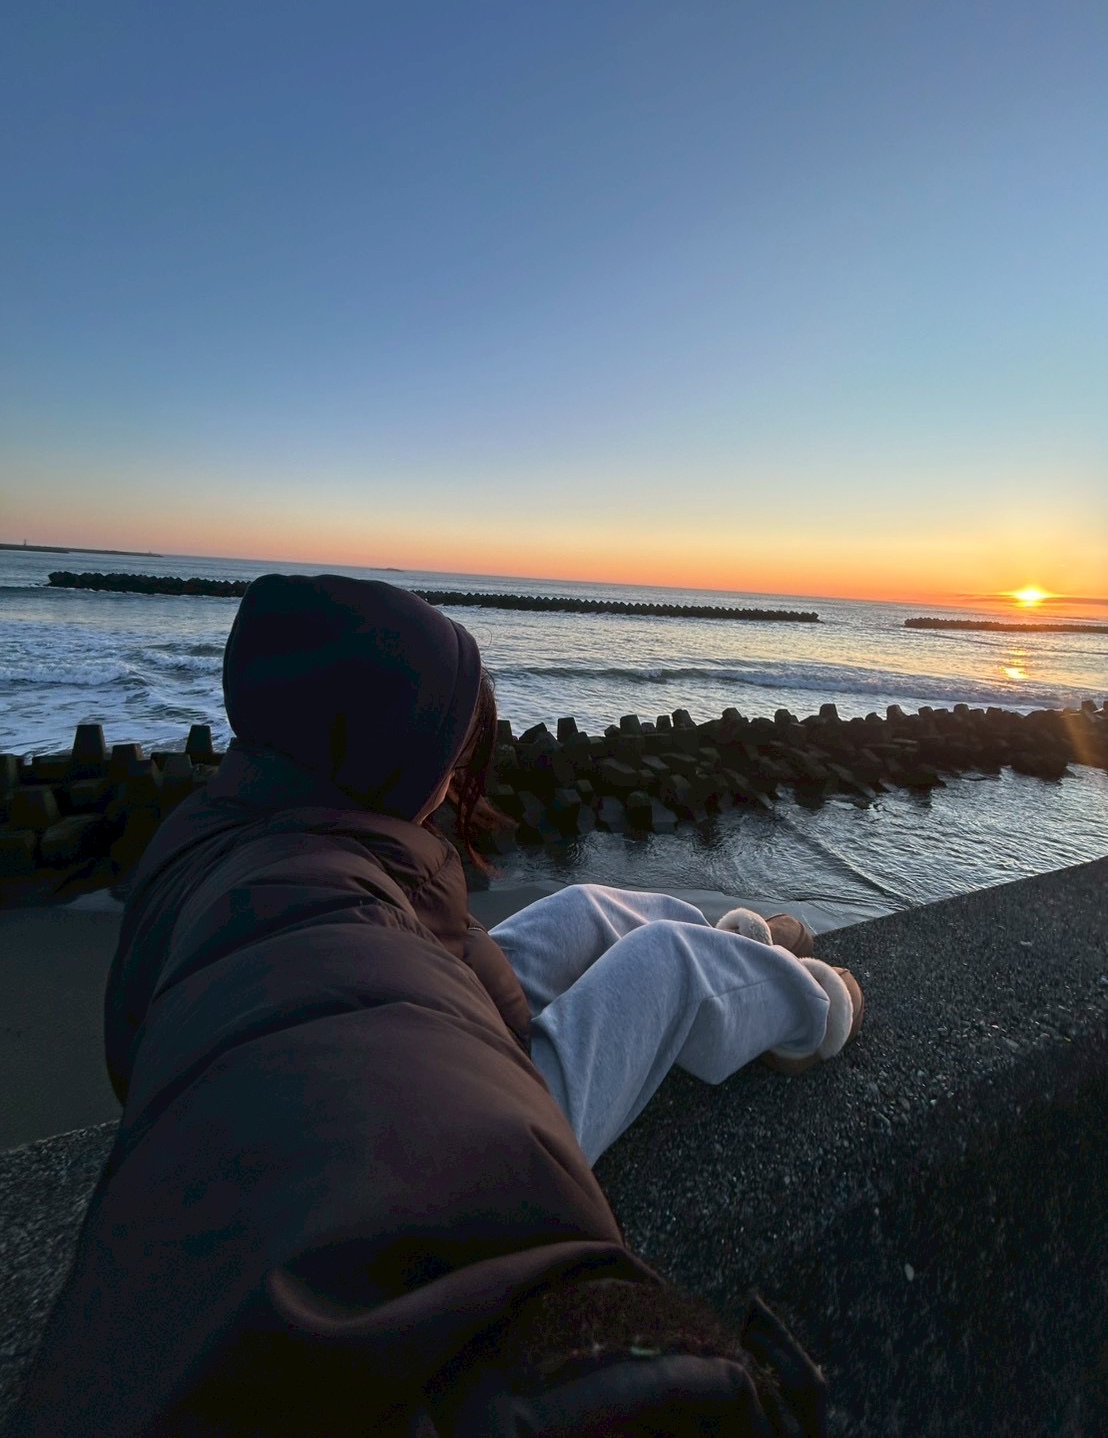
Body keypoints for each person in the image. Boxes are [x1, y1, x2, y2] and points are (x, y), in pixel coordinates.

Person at [8, 574, 862, 1436]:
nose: (454, 783)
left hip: (367, 1058)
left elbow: (137, 1032)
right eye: (447, 759)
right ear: (374, 746)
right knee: (666, 964)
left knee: (581, 906)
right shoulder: (367, 855)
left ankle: (740, 943)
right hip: (454, 1144)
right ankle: (814, 1010)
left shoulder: (242, 823)